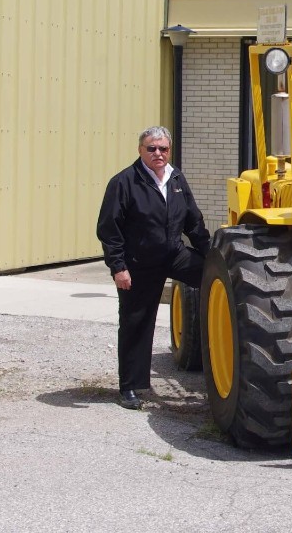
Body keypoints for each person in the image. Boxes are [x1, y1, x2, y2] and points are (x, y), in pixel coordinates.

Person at [97, 126, 210, 410]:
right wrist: (118, 267)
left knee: (216, 277)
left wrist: (212, 256)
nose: (158, 154)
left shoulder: (176, 178)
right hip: (139, 263)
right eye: (152, 148)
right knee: (136, 323)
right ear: (140, 150)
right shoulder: (124, 182)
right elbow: (109, 229)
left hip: (174, 253)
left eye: (163, 149)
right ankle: (130, 388)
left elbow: (193, 222)